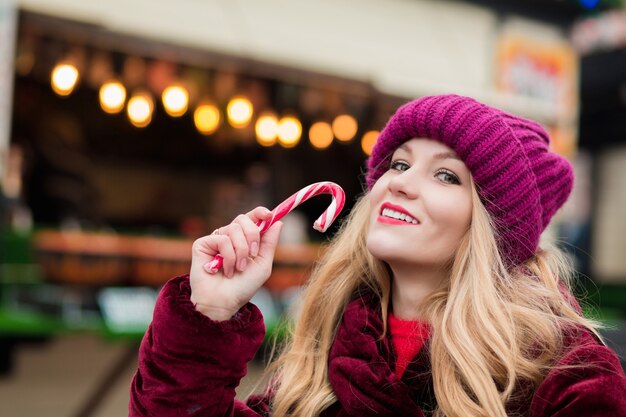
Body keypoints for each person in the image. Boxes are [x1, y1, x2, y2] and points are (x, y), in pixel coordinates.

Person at [129, 94, 626, 417]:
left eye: (446, 175)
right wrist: (210, 314)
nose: (400, 182)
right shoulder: (330, 351)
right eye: (400, 162)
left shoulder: (565, 375)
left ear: (494, 227)